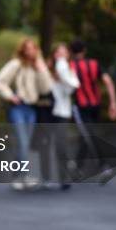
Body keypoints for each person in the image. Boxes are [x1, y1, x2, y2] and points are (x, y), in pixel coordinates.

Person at [0, 38, 52, 191]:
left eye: (33, 48)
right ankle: (22, 176)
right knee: (23, 142)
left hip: (32, 109)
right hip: (18, 108)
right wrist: (10, 96)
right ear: (23, 50)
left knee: (23, 144)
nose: (30, 51)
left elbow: (46, 89)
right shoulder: (16, 64)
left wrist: (42, 70)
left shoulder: (38, 65)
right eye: (27, 48)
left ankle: (18, 176)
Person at [69, 39, 116, 179]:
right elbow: (108, 82)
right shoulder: (94, 64)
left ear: (71, 52)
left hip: (80, 106)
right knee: (88, 134)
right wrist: (113, 102)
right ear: (84, 50)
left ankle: (102, 164)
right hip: (95, 105)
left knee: (88, 134)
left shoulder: (69, 66)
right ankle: (77, 166)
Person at [41, 43, 79, 190]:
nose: (61, 55)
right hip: (46, 111)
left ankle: (65, 178)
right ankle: (46, 178)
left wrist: (62, 74)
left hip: (61, 112)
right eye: (59, 52)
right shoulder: (45, 68)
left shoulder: (68, 71)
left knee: (61, 145)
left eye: (64, 53)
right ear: (53, 54)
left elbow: (73, 87)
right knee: (44, 145)